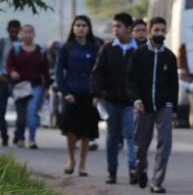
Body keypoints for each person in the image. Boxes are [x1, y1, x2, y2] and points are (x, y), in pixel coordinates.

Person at [127, 16, 179, 193]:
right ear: (149, 31)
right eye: (156, 30)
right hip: (144, 105)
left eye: (162, 30)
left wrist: (173, 109)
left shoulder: (170, 57)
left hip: (164, 105)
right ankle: (141, 168)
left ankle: (157, 181)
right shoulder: (138, 54)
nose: (159, 33)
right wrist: (136, 99)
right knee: (140, 144)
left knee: (165, 143)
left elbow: (174, 84)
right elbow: (131, 80)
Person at [90, 12, 138, 184]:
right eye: (114, 26)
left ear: (129, 29)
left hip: (132, 102)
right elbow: (97, 72)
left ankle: (134, 168)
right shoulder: (108, 49)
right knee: (112, 137)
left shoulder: (139, 49)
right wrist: (96, 93)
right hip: (111, 101)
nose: (115, 30)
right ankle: (112, 171)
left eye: (119, 26)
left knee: (130, 135)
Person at [55, 15, 100, 176]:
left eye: (84, 25)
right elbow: (59, 72)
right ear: (73, 28)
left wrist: (97, 94)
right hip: (71, 94)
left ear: (89, 29)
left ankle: (82, 165)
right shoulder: (66, 47)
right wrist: (65, 92)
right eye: (78, 25)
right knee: (71, 130)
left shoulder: (95, 47)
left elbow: (100, 72)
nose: (81, 28)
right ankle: (71, 160)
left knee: (87, 131)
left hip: (89, 94)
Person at [6, 24, 48, 149]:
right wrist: (12, 72)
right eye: (25, 32)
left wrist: (47, 86)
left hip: (35, 85)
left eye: (30, 32)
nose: (28, 34)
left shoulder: (40, 51)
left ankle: (32, 139)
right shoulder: (15, 49)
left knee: (32, 112)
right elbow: (9, 65)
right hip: (20, 86)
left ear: (34, 34)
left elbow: (45, 69)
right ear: (21, 34)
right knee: (21, 115)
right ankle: (20, 137)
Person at [0, 20, 21, 146]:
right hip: (3, 79)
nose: (14, 33)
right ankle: (4, 134)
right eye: (12, 31)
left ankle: (18, 134)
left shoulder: (21, 44)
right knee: (1, 110)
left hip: (17, 81)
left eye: (16, 30)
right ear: (8, 30)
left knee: (20, 110)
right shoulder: (3, 43)